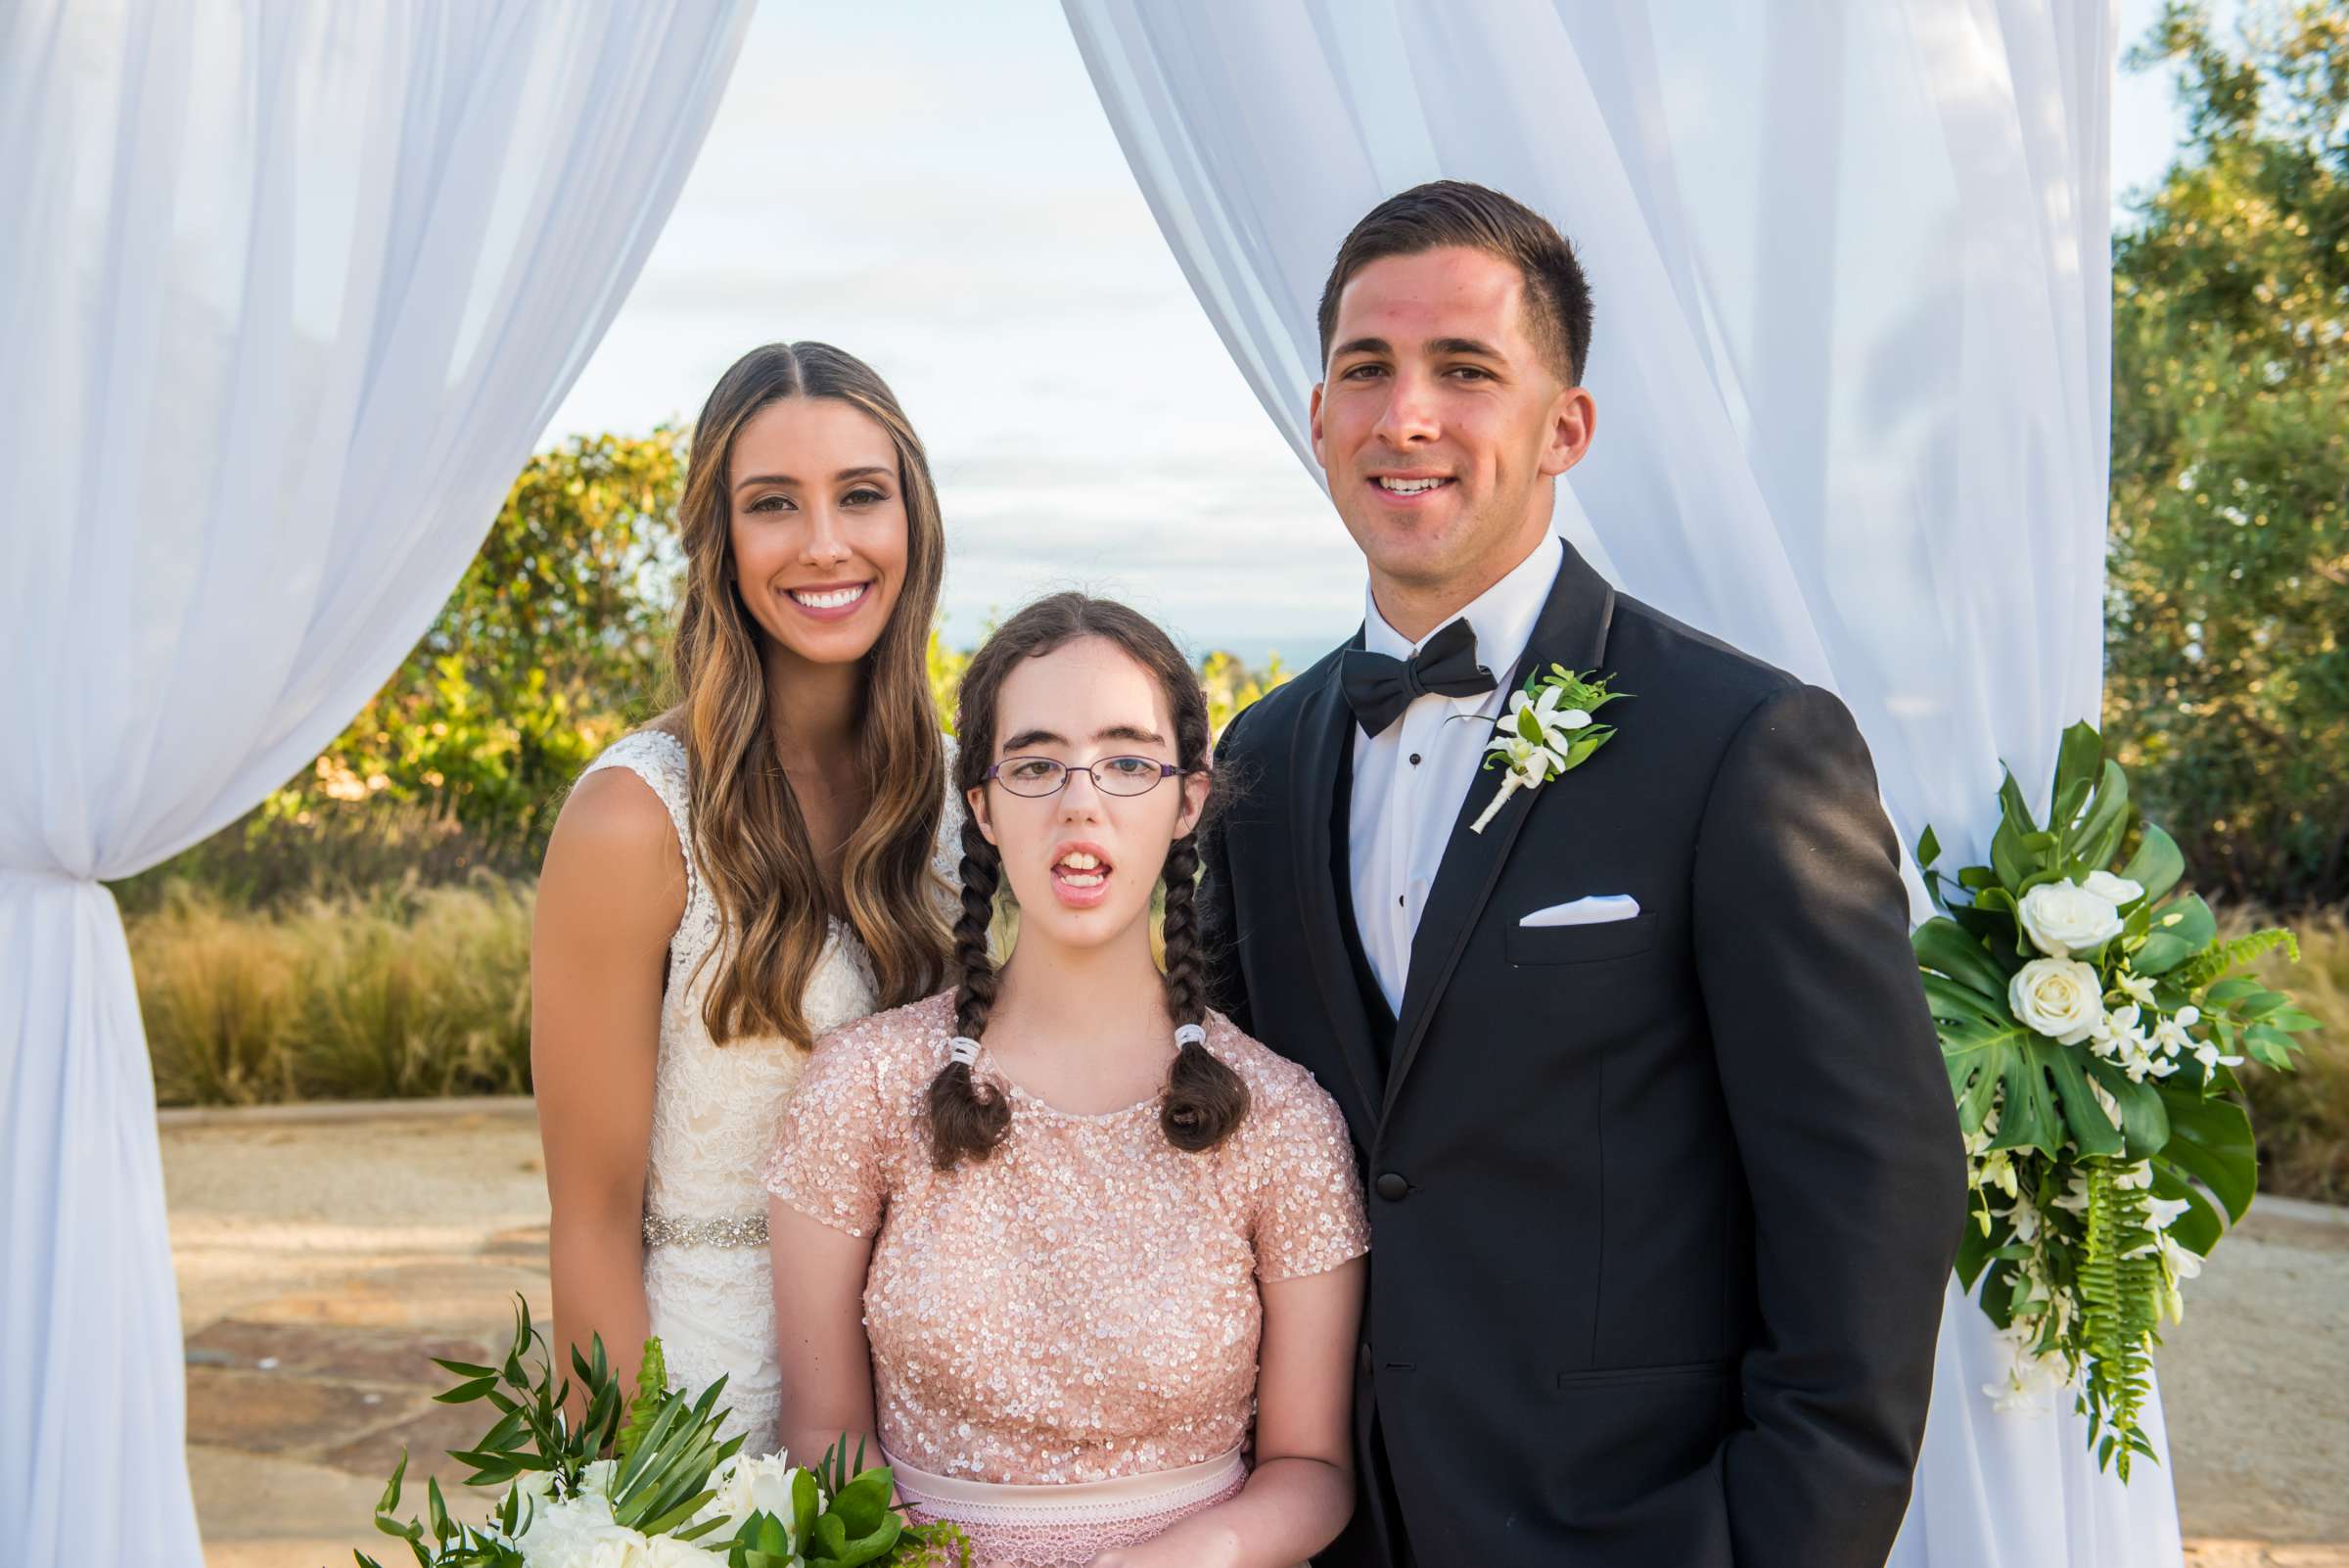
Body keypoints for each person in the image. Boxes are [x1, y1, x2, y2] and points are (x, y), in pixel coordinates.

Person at [1198, 180, 1967, 1568]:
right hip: (1330, 1529)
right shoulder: (1261, 757)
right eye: (1366, 369)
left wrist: (1776, 1541)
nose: (1406, 414)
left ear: (1567, 427)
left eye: (1466, 371)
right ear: (1318, 415)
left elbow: (1874, 1186)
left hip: (1640, 1528)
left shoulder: (1742, 740)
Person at [763, 593, 1368, 1568]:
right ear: (984, 807)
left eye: (1128, 763)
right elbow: (822, 1436)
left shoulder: (1283, 1121)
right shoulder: (862, 1091)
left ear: (1187, 802)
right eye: (1038, 764)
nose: (1080, 802)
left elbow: (1311, 1467)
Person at [530, 342, 959, 1454]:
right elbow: (589, 1224)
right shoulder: (633, 819)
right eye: (774, 504)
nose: (826, 544)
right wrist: (644, 1509)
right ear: (719, 538)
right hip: (709, 1420)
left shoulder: (967, 798)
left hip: (938, 1414)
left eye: (861, 495)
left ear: (913, 516)